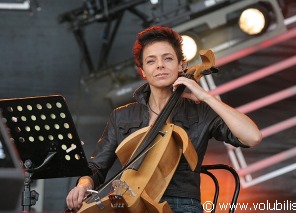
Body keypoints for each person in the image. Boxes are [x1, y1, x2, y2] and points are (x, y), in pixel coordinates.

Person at [66, 26, 262, 213]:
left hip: (181, 205)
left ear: (181, 65)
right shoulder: (122, 116)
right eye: (151, 61)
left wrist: (206, 97)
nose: (160, 65)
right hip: (129, 203)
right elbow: (97, 167)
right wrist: (84, 185)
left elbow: (252, 137)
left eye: (167, 58)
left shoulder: (200, 112)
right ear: (142, 71)